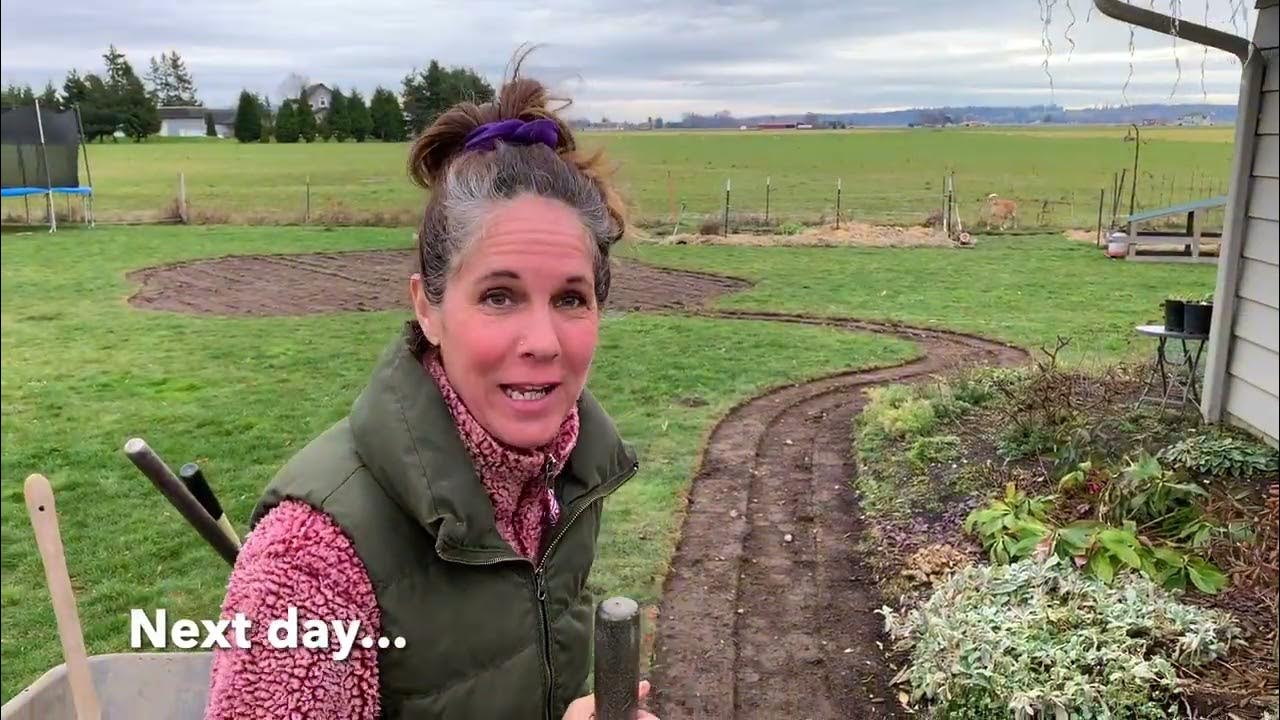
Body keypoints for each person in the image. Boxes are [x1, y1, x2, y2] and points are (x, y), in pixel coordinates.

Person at [204, 52, 659, 720]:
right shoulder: (309, 561)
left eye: (571, 298)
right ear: (428, 308)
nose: (542, 341)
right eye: (500, 297)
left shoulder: (564, 481)